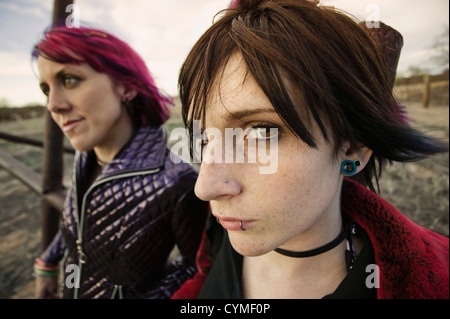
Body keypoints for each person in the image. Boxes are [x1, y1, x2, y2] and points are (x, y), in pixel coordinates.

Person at [172, 0, 449, 299]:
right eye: (204, 138)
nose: (206, 187)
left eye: (261, 131)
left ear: (353, 148)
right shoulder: (215, 240)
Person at [32, 26, 208, 299]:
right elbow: (79, 222)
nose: (52, 105)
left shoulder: (179, 181)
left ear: (125, 85)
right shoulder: (85, 159)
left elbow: (196, 266)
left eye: (69, 79)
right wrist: (47, 264)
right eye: (46, 89)